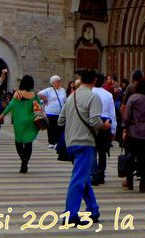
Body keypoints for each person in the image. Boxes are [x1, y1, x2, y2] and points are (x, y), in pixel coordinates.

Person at [59, 68, 105, 224]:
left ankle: (93, 209)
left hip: (70, 143)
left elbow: (60, 121)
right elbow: (94, 121)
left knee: (83, 177)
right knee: (78, 179)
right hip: (85, 143)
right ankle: (70, 215)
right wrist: (104, 126)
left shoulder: (71, 97)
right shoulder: (93, 97)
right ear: (95, 81)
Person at [0, 74, 40, 173]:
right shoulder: (34, 94)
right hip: (31, 121)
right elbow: (39, 107)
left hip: (19, 122)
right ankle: (25, 163)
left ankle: (23, 158)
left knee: (18, 142)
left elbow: (9, 107)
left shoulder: (17, 94)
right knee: (28, 143)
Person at [122, 77, 145, 192]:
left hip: (134, 132)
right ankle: (143, 185)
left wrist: (124, 129)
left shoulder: (133, 98)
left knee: (131, 156)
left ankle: (129, 182)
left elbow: (127, 115)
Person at [90, 74, 115, 185]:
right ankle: (101, 174)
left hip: (93, 121)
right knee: (103, 151)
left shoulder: (90, 93)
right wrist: (113, 129)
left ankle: (95, 173)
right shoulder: (108, 95)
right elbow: (112, 114)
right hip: (106, 122)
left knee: (93, 150)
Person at [38, 75, 66, 148]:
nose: (59, 82)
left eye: (59, 81)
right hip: (50, 112)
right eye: (58, 81)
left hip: (60, 112)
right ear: (53, 82)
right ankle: (51, 142)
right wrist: (45, 99)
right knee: (51, 128)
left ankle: (57, 141)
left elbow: (65, 100)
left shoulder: (63, 90)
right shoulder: (49, 90)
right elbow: (38, 94)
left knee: (59, 128)